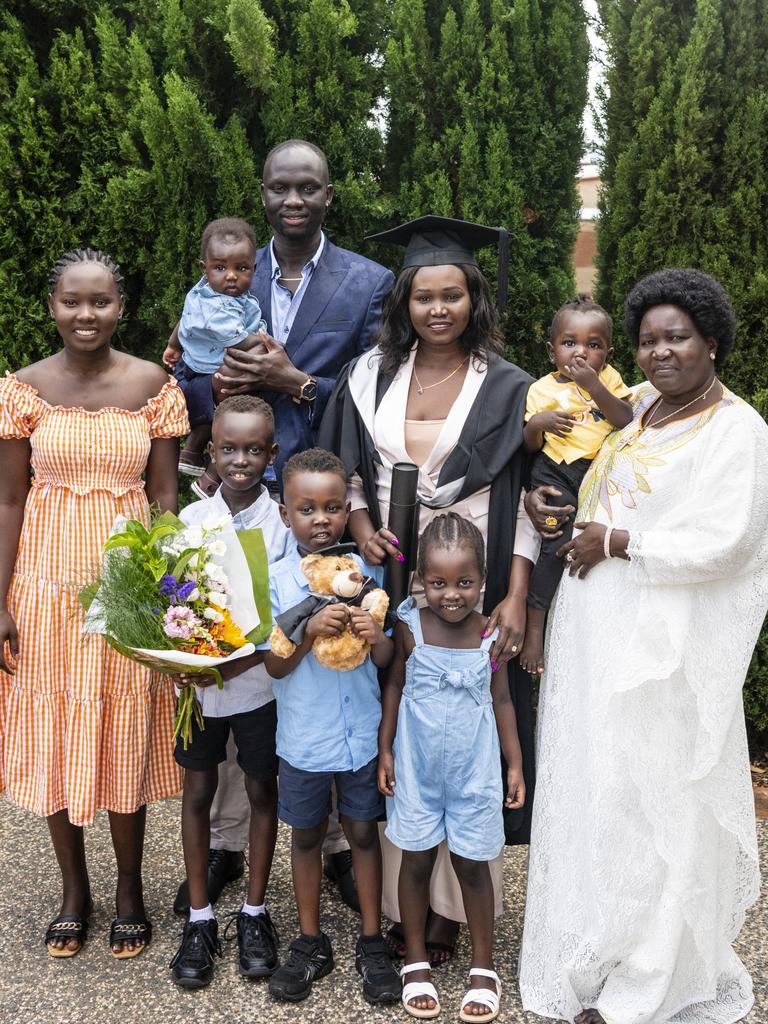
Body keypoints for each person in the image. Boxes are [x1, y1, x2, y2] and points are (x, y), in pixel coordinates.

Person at [518, 268, 768, 1024]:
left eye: (677, 337)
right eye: (650, 339)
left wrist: (620, 540)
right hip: (600, 633)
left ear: (712, 342)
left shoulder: (738, 429)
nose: (660, 351)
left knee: (664, 807)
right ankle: (604, 947)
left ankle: (652, 982)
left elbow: (730, 541)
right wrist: (556, 507)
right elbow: (605, 493)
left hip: (668, 650)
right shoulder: (645, 411)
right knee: (605, 797)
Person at [166, 139, 394, 911]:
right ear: (262, 195)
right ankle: (230, 839)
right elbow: (189, 374)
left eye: (308, 188)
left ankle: (328, 837)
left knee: (309, 653)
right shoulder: (228, 269)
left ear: (329, 194)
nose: (293, 201)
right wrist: (208, 384)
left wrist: (295, 382)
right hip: (235, 488)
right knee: (231, 653)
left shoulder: (368, 281)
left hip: (314, 502)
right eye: (279, 189)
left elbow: (374, 385)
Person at [319, 215, 539, 964]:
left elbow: (521, 496)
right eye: (423, 296)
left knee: (467, 733)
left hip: (468, 587)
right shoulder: (367, 373)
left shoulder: (509, 387)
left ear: (474, 299)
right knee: (399, 725)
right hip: (386, 569)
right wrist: (356, 518)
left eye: (452, 295)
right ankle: (394, 887)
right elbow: (347, 466)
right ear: (403, 302)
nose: (437, 309)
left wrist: (514, 595)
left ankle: (452, 909)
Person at [0, 248, 188, 959]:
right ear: (51, 307)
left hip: (128, 589)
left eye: (101, 301)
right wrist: (0, 601)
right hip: (44, 590)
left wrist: (172, 592)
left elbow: (166, 496)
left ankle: (132, 888)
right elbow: (9, 497)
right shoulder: (23, 388)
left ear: (121, 307)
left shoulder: (151, 384)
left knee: (123, 730)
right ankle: (74, 890)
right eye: (73, 301)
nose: (87, 314)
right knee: (54, 733)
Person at [262, 449, 402, 1005]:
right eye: (306, 509)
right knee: (307, 835)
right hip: (304, 738)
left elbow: (390, 658)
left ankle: (371, 940)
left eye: (332, 508)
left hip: (363, 734)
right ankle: (310, 939)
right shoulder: (279, 580)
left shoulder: (368, 576)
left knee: (364, 831)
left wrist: (377, 636)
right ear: (285, 513)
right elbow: (272, 664)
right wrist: (307, 629)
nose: (320, 519)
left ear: (348, 510)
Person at [379, 513, 525, 1021]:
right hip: (417, 772)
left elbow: (503, 701)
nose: (451, 594)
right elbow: (394, 686)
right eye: (437, 583)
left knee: (472, 865)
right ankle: (415, 959)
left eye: (464, 582)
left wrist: (515, 765)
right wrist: (386, 750)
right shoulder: (410, 626)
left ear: (483, 579)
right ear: (420, 579)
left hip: (474, 774)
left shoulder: (491, 634)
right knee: (415, 861)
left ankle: (483, 967)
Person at [168, 396, 290, 989]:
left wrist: (240, 663)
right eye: (228, 449)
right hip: (202, 693)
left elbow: (284, 615)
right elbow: (171, 607)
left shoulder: (283, 526)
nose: (240, 461)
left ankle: (254, 912)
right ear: (211, 452)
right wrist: (178, 659)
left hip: (261, 689)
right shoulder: (191, 524)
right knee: (198, 792)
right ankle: (199, 918)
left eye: (253, 450)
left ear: (272, 454)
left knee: (263, 790)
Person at [518, 295, 632, 675]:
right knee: (555, 542)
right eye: (570, 343)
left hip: (594, 471)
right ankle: (536, 622)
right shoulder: (541, 390)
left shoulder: (610, 379)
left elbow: (624, 419)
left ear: (608, 352)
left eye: (593, 345)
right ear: (552, 351)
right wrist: (537, 425)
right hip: (553, 471)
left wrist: (595, 386)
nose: (581, 352)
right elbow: (531, 447)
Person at [163, 218, 267, 478]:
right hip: (207, 366)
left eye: (241, 268)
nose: (231, 275)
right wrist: (269, 343)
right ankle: (204, 466)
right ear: (204, 269)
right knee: (232, 411)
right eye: (220, 267)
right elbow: (239, 340)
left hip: (205, 360)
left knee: (228, 415)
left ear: (254, 268)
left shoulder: (203, 293)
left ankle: (193, 456)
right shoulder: (216, 307)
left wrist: (173, 344)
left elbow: (185, 319)